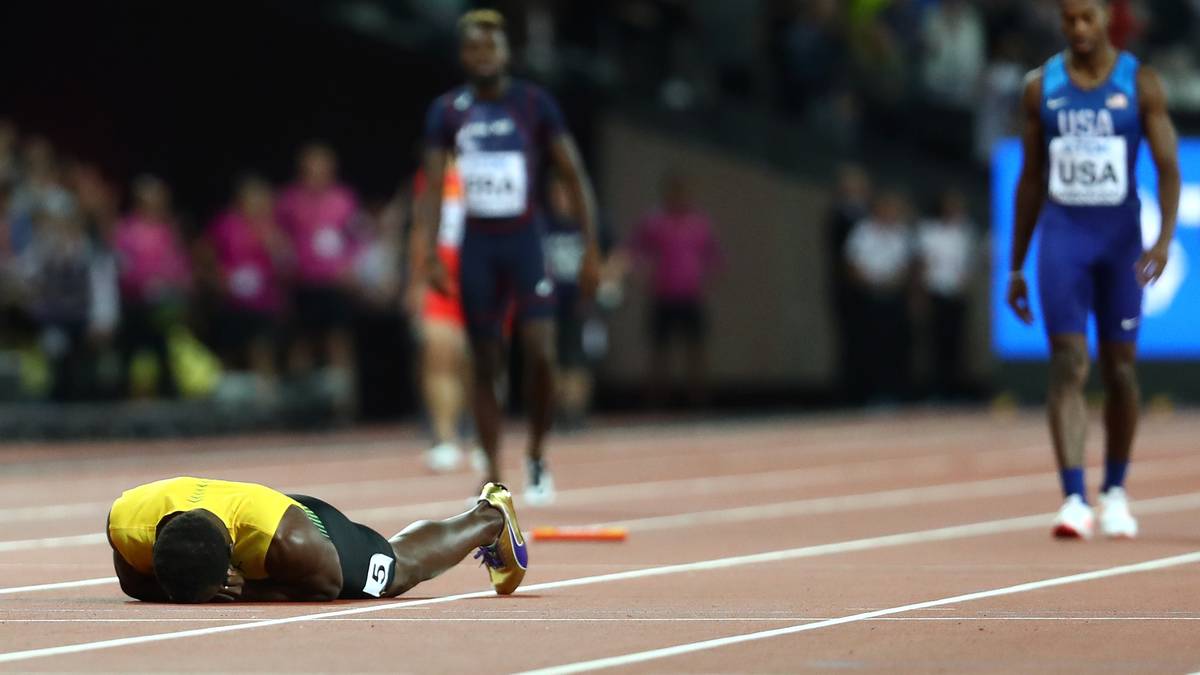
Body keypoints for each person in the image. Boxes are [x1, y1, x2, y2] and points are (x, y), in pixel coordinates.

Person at [1007, 0, 1180, 540]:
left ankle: (1116, 492)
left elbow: (1170, 168)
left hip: (1119, 242)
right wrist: (1015, 265)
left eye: (1087, 18)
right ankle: (1074, 498)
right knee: (1067, 364)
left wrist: (1164, 239)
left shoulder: (1142, 83)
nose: (1078, 29)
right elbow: (1031, 180)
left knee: (1121, 371)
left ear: (1108, 18)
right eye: (1069, 20)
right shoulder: (1041, 88)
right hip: (1064, 240)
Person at [415, 9, 601, 505]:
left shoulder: (534, 104)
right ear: (463, 56)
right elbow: (433, 188)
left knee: (541, 353)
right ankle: (494, 468)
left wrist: (591, 249)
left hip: (524, 242)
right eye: (473, 48)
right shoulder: (448, 111)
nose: (482, 56)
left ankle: (537, 452)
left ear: (506, 52)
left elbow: (574, 176)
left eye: (490, 47)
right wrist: (432, 252)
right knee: (485, 360)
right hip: (478, 247)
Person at [107, 477, 526, 603]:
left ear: (232, 563)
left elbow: (325, 586)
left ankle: (489, 517)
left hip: (306, 524)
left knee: (394, 572)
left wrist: (246, 591)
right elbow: (132, 584)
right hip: (244, 515)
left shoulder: (294, 541)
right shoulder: (126, 522)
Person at [276, 143, 361, 418]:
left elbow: (357, 237)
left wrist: (350, 266)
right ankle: (299, 410)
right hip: (302, 283)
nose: (318, 172)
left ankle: (343, 408)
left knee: (338, 342)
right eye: (312, 166)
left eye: (323, 165)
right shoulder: (289, 200)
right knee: (302, 343)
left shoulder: (343, 199)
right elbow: (279, 238)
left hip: (335, 284)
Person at [408, 161, 482, 473]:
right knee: (439, 353)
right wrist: (416, 281)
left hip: (483, 274)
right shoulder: (433, 175)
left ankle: (482, 438)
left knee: (477, 360)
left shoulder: (492, 167)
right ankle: (445, 438)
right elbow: (422, 228)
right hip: (442, 275)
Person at [628, 171, 721, 409]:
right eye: (674, 192)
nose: (679, 197)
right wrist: (643, 274)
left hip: (690, 296)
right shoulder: (655, 222)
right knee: (659, 352)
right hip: (663, 295)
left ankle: (699, 401)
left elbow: (714, 255)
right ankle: (656, 403)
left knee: (696, 350)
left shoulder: (699, 223)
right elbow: (635, 249)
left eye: (683, 193)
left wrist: (703, 278)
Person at [202, 175, 289, 391]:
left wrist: (274, 244)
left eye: (261, 199)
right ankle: (228, 404)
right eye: (251, 199)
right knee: (229, 353)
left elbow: (286, 262)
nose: (256, 204)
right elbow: (204, 253)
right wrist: (217, 277)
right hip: (231, 302)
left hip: (264, 302)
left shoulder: (272, 227)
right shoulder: (226, 224)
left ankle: (266, 399)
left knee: (262, 350)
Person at [113, 175, 192, 399]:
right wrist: (143, 283)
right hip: (134, 305)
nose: (157, 205)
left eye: (160, 200)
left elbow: (179, 265)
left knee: (164, 353)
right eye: (151, 199)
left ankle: (169, 400)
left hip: (162, 306)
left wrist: (176, 283)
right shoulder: (126, 231)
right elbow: (122, 268)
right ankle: (121, 404)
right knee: (128, 355)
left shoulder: (168, 231)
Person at [844, 189, 915, 404]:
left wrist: (894, 284)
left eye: (895, 209)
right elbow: (852, 264)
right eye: (887, 208)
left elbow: (908, 266)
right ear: (877, 209)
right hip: (868, 297)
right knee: (868, 346)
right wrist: (870, 283)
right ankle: (868, 394)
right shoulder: (862, 231)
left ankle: (894, 392)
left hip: (894, 297)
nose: (891, 213)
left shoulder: (902, 233)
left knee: (894, 346)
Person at [915, 188, 976, 401]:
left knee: (957, 343)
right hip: (935, 293)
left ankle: (954, 390)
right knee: (935, 343)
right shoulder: (929, 231)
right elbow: (922, 264)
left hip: (957, 295)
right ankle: (936, 390)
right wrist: (921, 294)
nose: (955, 209)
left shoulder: (965, 231)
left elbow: (968, 263)